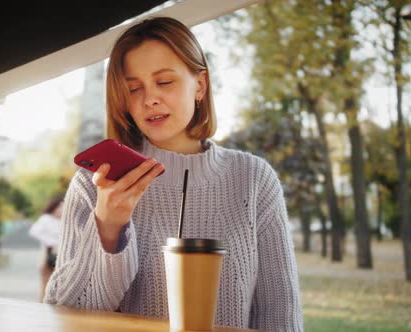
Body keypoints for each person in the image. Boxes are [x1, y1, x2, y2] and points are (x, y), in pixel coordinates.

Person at [45, 17, 303, 331]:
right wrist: (109, 228)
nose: (149, 98)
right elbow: (63, 315)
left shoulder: (253, 180)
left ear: (201, 85)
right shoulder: (95, 182)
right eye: (133, 88)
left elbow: (281, 315)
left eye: (164, 82)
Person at [29, 195, 64, 302]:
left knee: (58, 289)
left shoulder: (65, 221)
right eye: (59, 207)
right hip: (47, 257)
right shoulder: (46, 219)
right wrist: (52, 242)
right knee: (45, 287)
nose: (61, 210)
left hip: (61, 258)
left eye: (63, 207)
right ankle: (41, 309)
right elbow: (34, 232)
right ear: (53, 207)